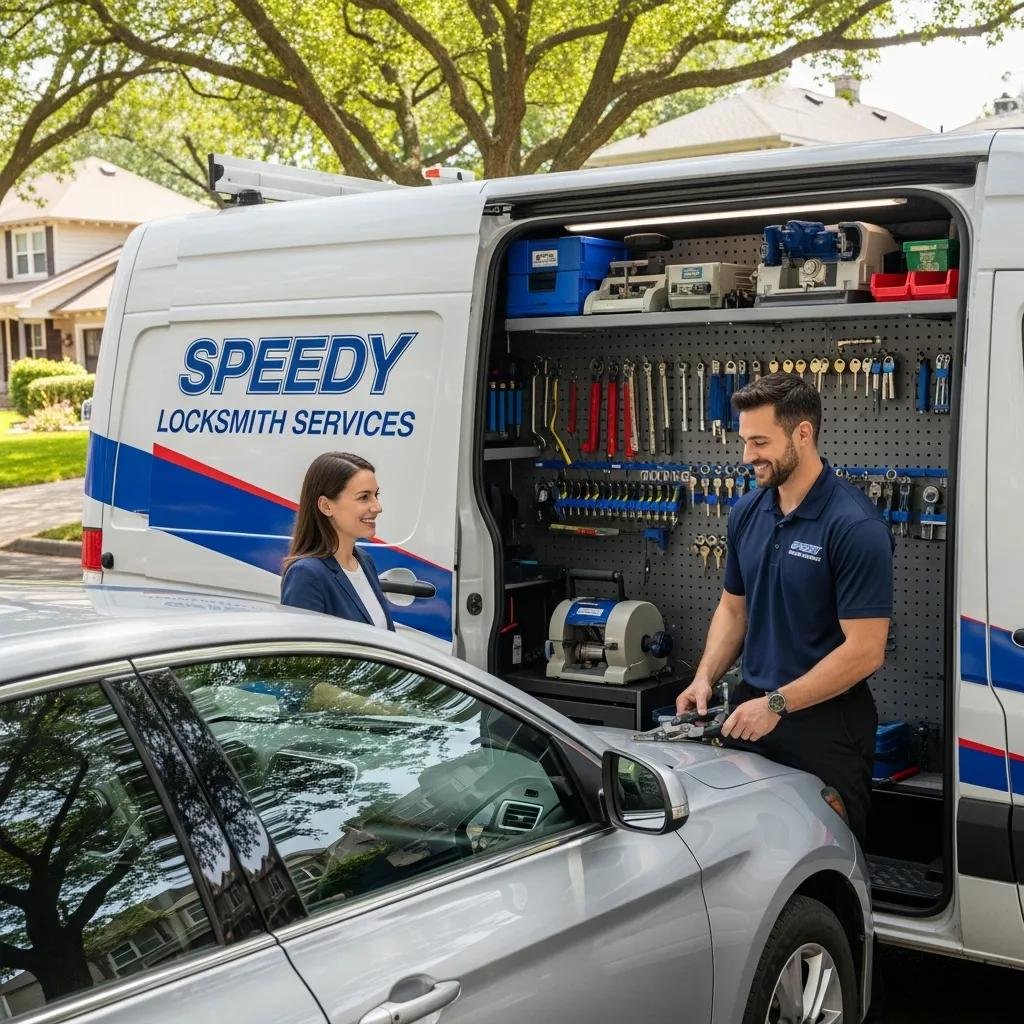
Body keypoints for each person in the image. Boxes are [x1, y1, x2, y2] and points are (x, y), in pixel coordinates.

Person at [676, 373, 893, 847]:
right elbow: (734, 610)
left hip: (825, 726)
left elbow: (866, 651)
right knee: (748, 859)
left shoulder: (854, 526)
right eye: (744, 441)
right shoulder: (747, 512)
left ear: (802, 434)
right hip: (751, 713)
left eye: (759, 441)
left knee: (826, 861)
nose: (747, 455)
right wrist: (705, 677)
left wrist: (778, 704)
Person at [281, 452, 395, 630]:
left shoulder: (364, 561)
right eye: (364, 497)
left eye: (376, 495)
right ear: (326, 506)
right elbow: (304, 653)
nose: (377, 507)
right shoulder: (306, 574)